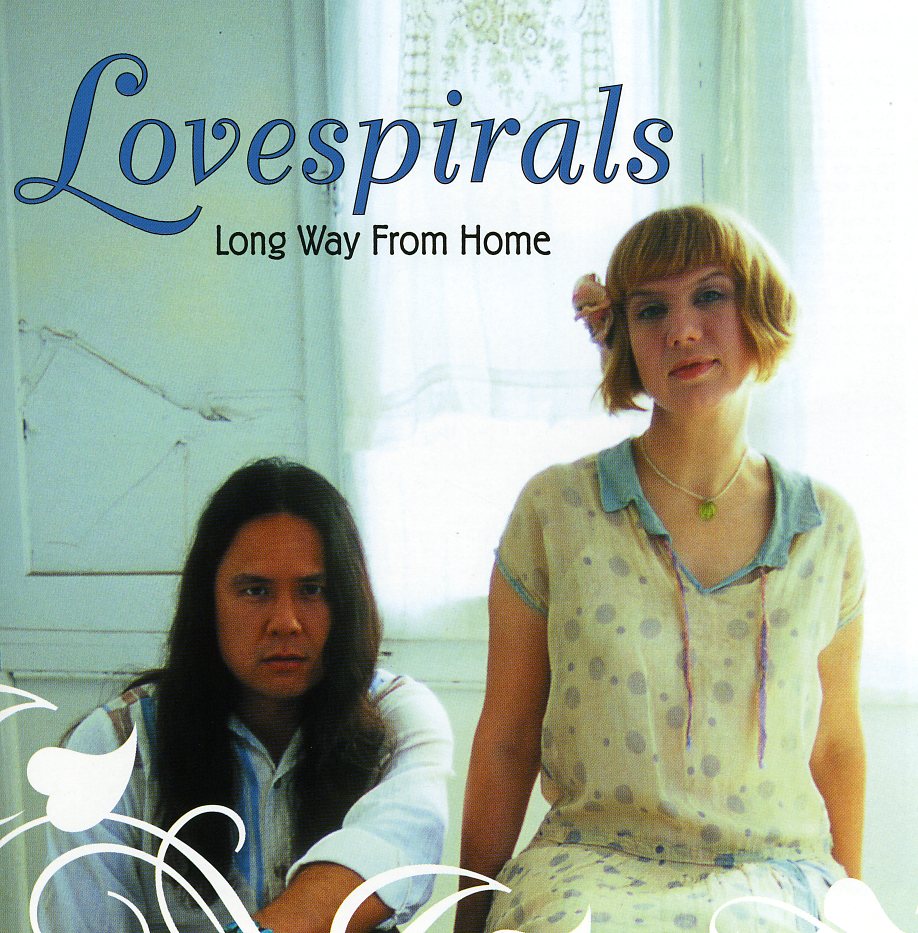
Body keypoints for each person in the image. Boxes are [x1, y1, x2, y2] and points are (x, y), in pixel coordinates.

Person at [455, 205, 866, 931]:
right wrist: (469, 918)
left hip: (777, 872)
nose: (681, 330)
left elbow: (834, 743)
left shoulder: (825, 528)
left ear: (759, 307)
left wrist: (853, 908)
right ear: (623, 335)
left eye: (710, 295)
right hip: (589, 861)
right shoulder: (556, 510)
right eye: (651, 309)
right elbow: (507, 738)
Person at [41, 458, 453, 933]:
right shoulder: (112, 746)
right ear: (208, 602)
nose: (286, 622)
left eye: (312, 589)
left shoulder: (398, 718)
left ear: (347, 602)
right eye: (256, 591)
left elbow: (388, 856)